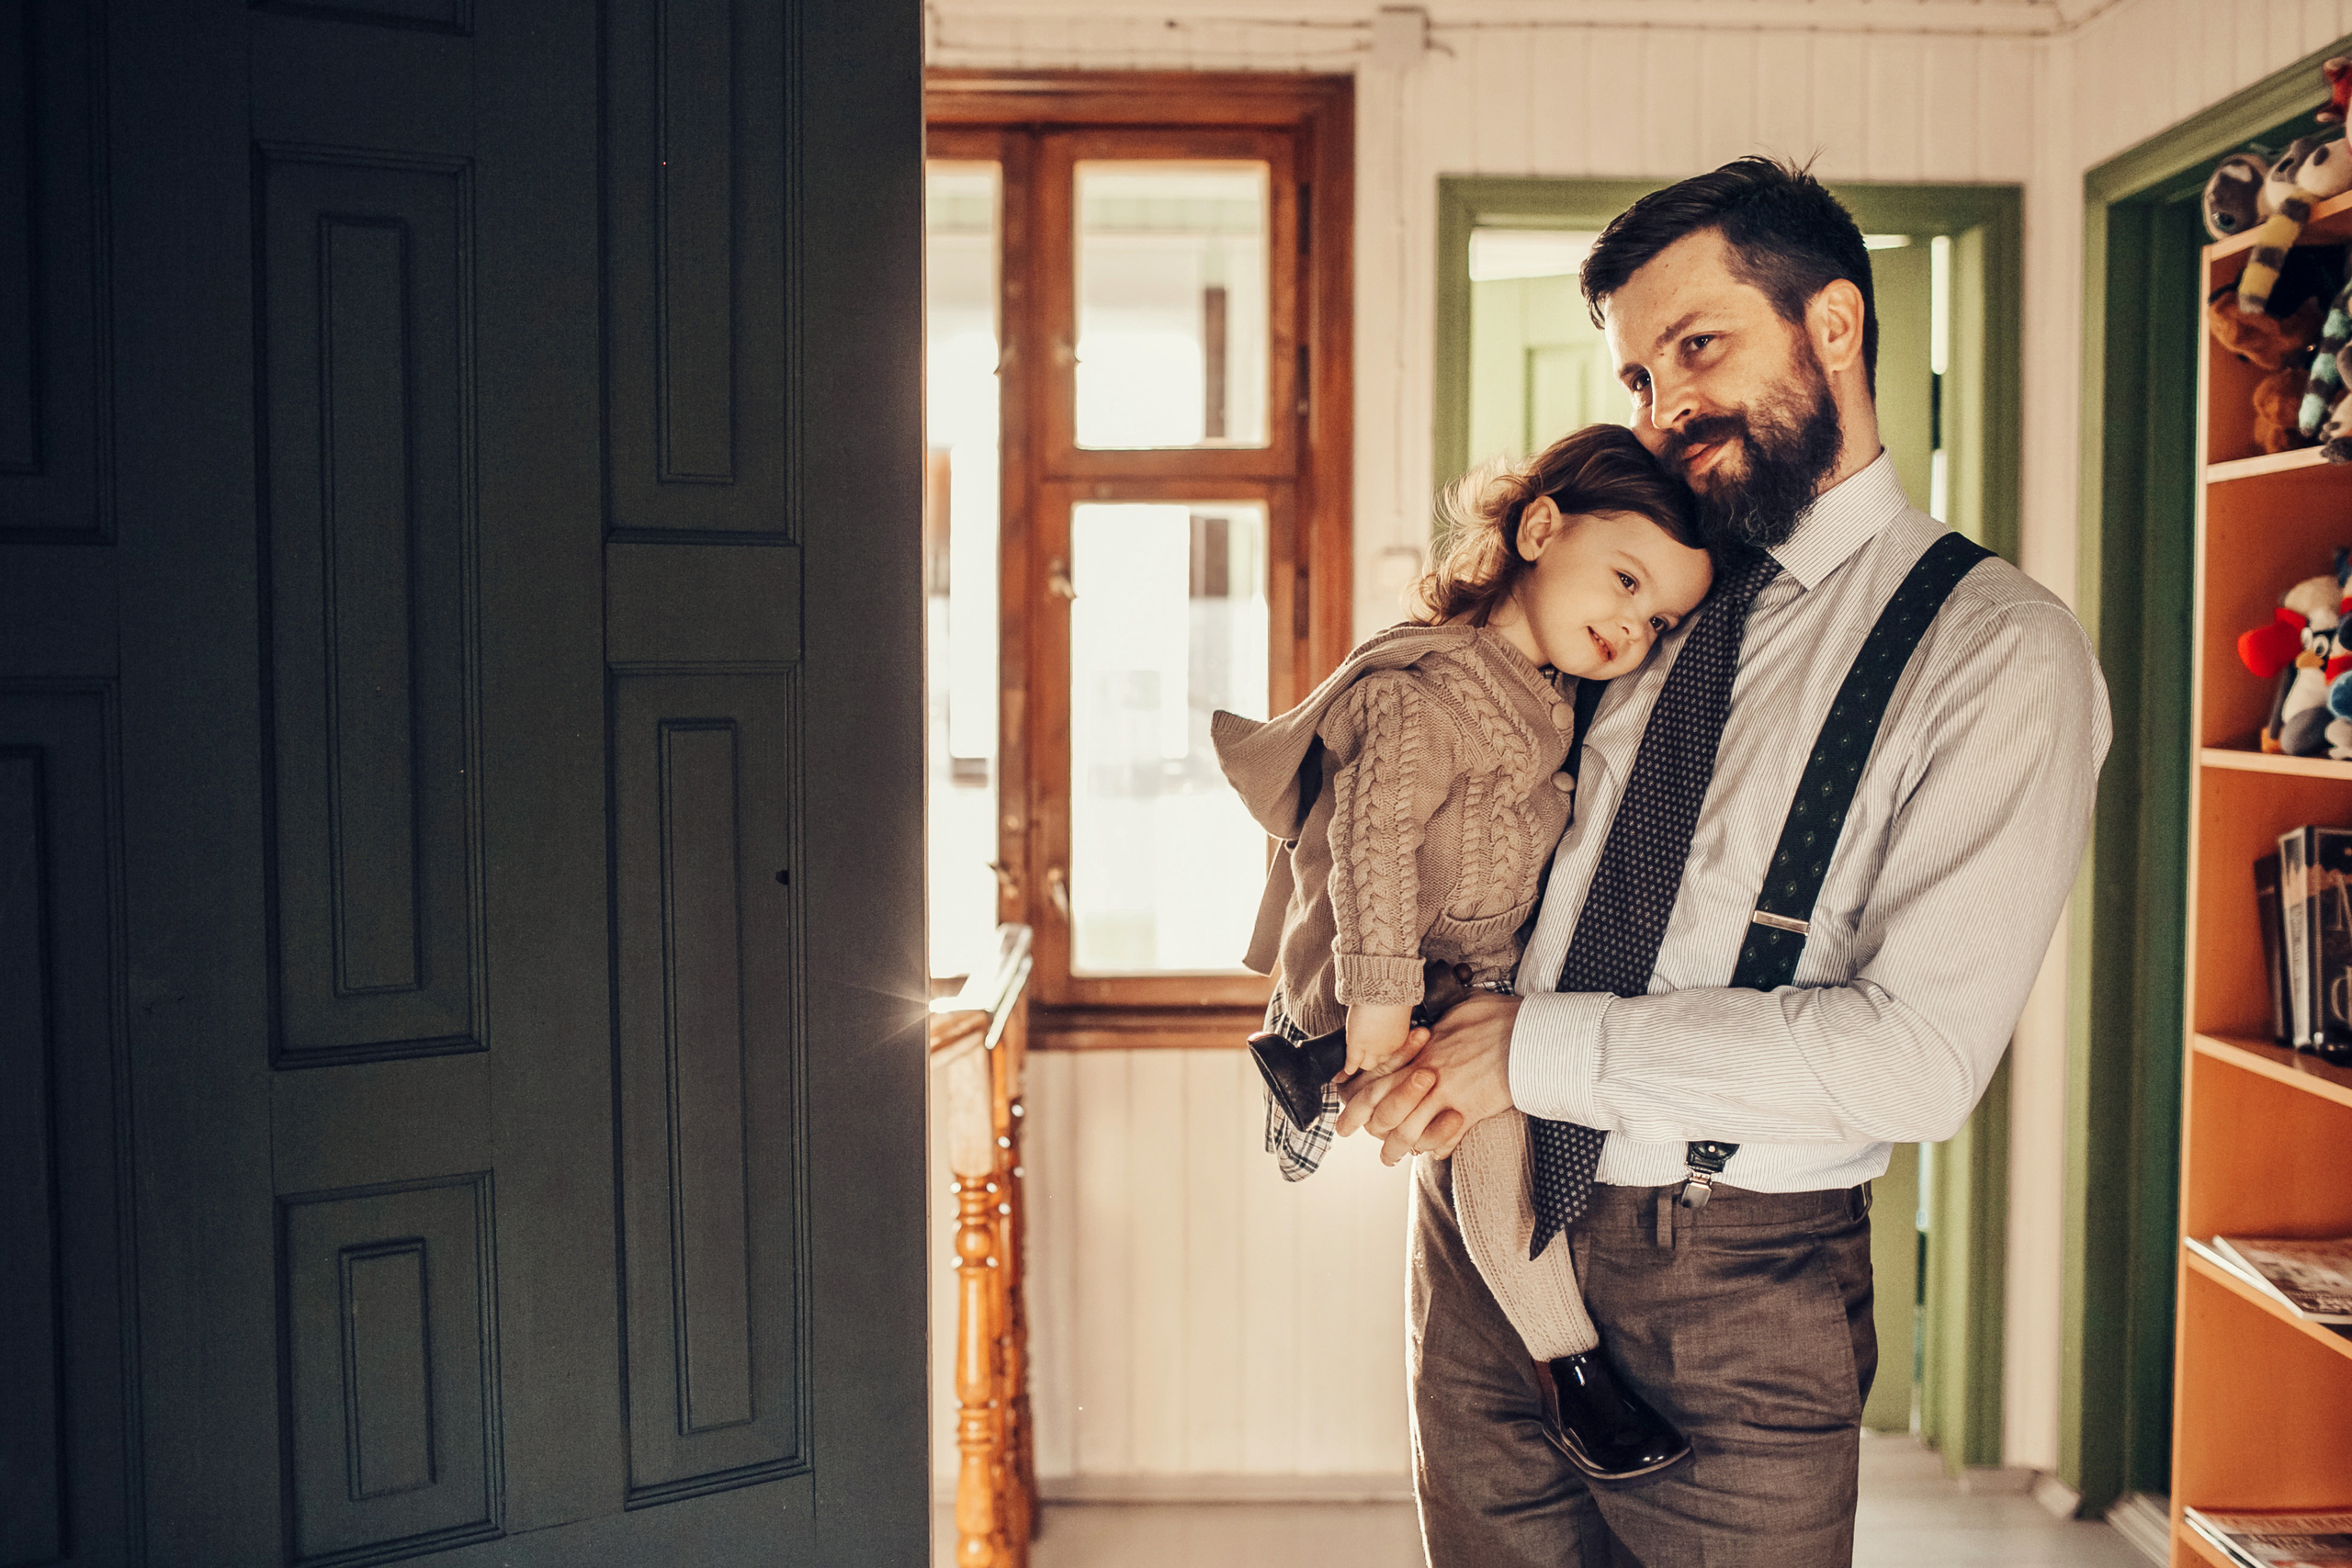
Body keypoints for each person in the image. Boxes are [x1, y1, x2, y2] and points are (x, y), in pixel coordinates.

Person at [1336, 156, 2111, 1567]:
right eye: (1638, 376)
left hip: (1734, 1273)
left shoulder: (1997, 649)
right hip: (1480, 1225)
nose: (1665, 404)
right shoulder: (1638, 585)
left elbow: (1919, 1060)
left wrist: (1536, 1054)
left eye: (1699, 346)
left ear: (1833, 325)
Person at [1211, 423, 1713, 1483]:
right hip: (1401, 977)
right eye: (1623, 580)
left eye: (1658, 615)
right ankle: (1570, 1376)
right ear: (1538, 528)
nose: (1632, 624)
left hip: (1478, 976)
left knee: (1499, 1114)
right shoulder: (1419, 687)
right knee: (1486, 1132)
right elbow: (1373, 849)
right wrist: (1382, 1017)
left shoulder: (1558, 697)